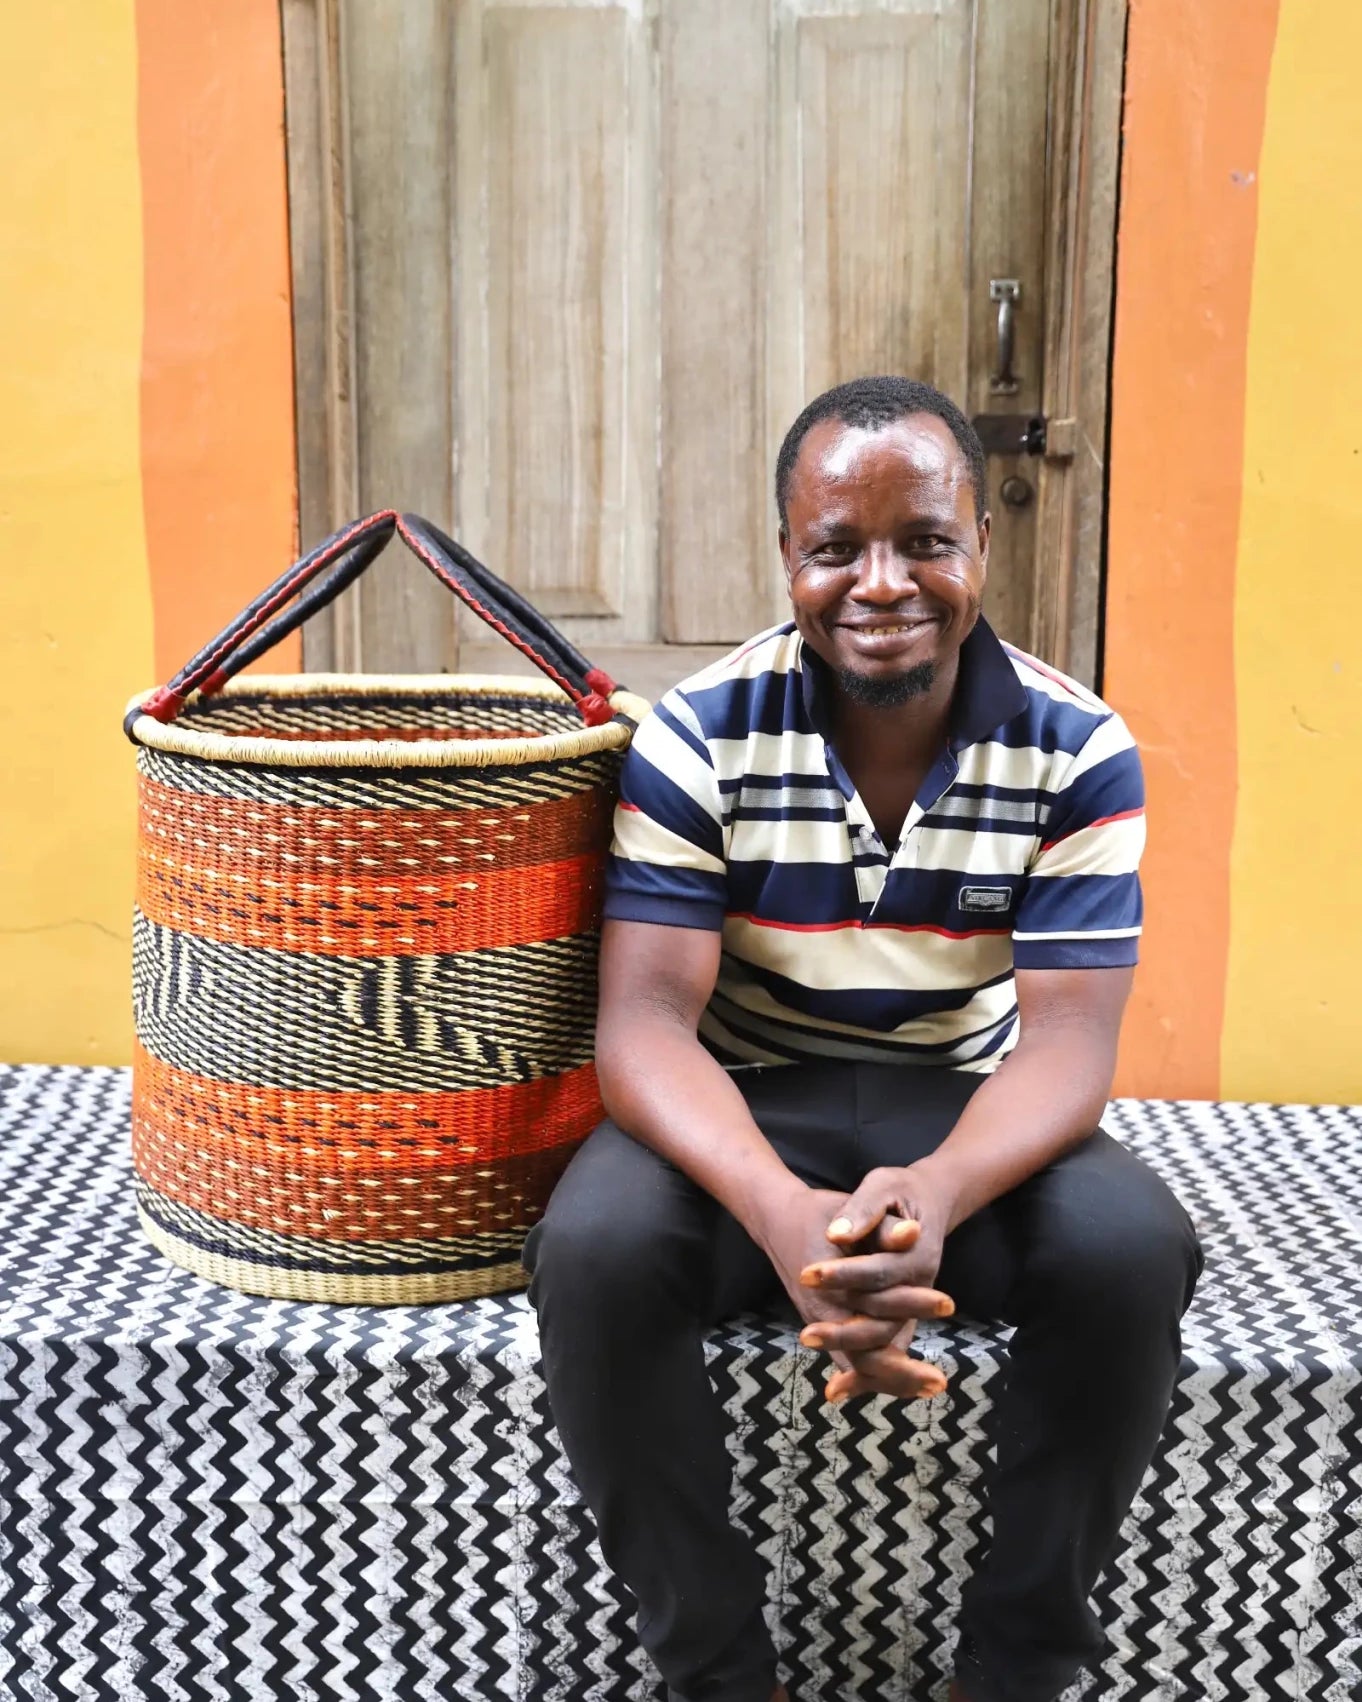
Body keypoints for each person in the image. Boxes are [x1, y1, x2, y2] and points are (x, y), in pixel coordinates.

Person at [523, 375, 1202, 1702]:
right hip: (747, 1100)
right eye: (835, 547)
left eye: (925, 542)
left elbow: (1065, 1048)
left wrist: (934, 1192)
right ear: (786, 556)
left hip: (958, 1104)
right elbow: (646, 1026)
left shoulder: (1076, 747)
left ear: (979, 549)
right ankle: (722, 1676)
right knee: (592, 1251)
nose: (881, 582)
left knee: (1129, 1250)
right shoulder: (697, 731)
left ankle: (1009, 1675)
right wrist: (783, 1214)